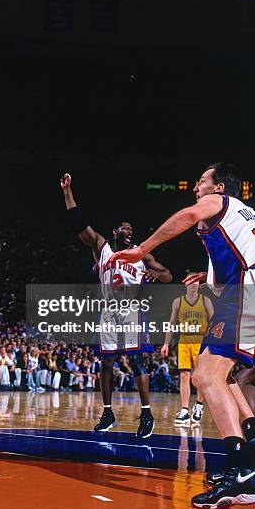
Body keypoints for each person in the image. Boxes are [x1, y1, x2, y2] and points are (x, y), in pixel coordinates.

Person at [109, 162, 255, 509]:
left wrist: (142, 249)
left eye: (201, 182)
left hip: (251, 287)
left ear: (218, 188)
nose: (196, 188)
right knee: (220, 371)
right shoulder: (247, 221)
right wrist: (206, 276)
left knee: (204, 374)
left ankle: (242, 472)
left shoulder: (220, 203)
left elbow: (186, 215)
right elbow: (221, 281)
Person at [60, 172, 172, 437]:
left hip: (131, 311)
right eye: (124, 228)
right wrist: (67, 192)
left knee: (136, 361)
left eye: (131, 228)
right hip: (109, 312)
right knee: (107, 363)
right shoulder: (102, 247)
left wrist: (157, 275)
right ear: (114, 232)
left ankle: (146, 414)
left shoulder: (142, 254)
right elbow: (79, 223)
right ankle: (107, 412)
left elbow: (168, 274)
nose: (129, 230)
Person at [161, 281, 213, 426]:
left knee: (198, 376)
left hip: (200, 339)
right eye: (191, 282)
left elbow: (214, 320)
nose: (194, 284)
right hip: (184, 339)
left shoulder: (205, 300)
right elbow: (171, 323)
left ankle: (198, 406)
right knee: (184, 375)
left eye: (196, 282)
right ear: (186, 284)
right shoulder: (178, 301)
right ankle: (184, 410)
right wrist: (166, 343)